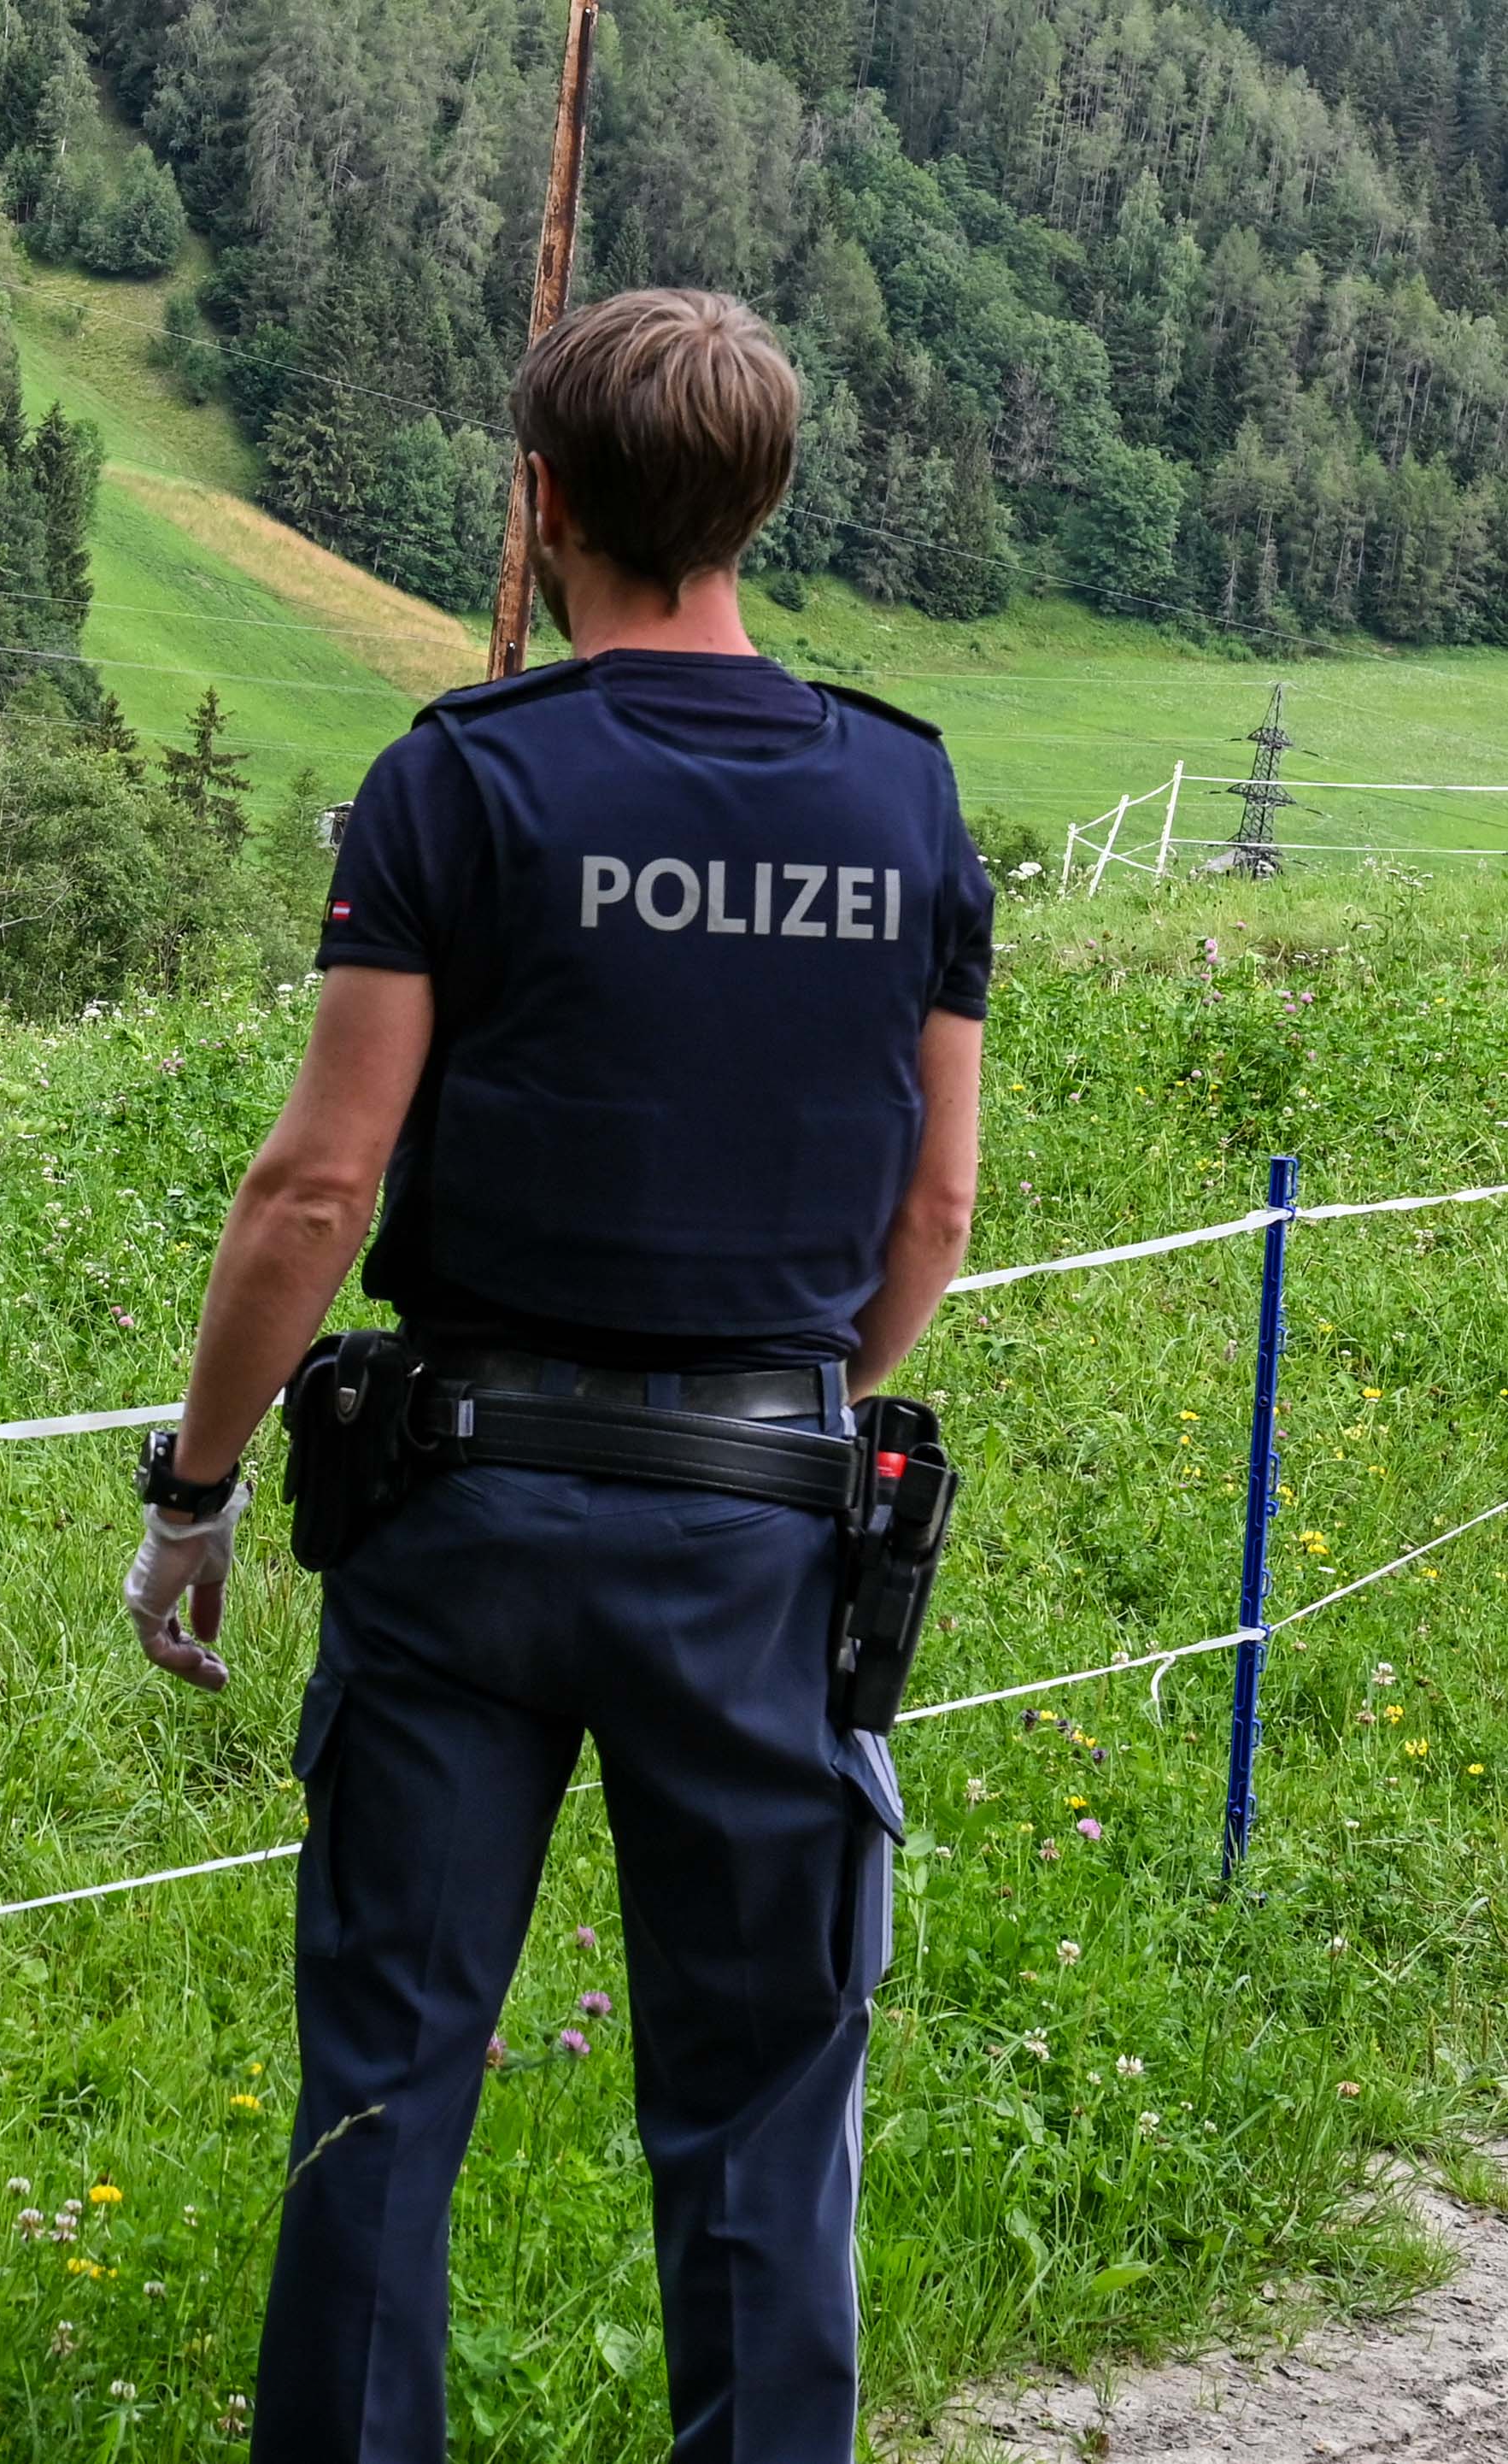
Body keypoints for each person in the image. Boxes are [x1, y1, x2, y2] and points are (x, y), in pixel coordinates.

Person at [120, 288, 990, 2462]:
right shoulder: (905, 794)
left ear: (544, 499)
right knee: (761, 2111)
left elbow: (319, 1188)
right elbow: (933, 1224)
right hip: (768, 1527)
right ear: (761, 502)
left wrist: (198, 1484)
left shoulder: (461, 780)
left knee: (390, 2088)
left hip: (465, 1523)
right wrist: (779, 1404)